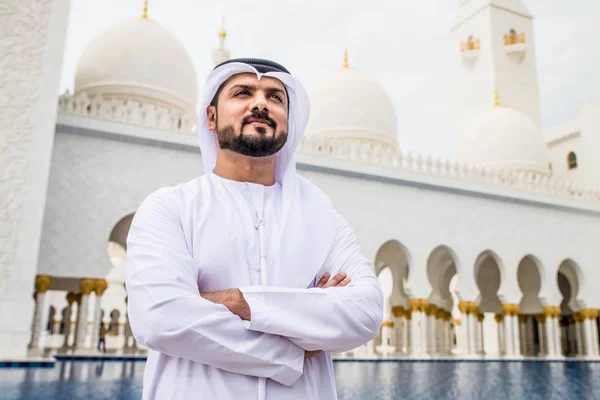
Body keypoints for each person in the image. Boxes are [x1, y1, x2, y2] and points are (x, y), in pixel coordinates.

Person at [125, 58, 383, 400]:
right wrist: (296, 342)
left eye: (275, 97)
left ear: (290, 122)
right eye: (243, 92)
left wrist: (234, 301)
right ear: (212, 117)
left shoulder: (323, 218)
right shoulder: (171, 208)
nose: (260, 103)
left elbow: (364, 313)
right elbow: (161, 319)